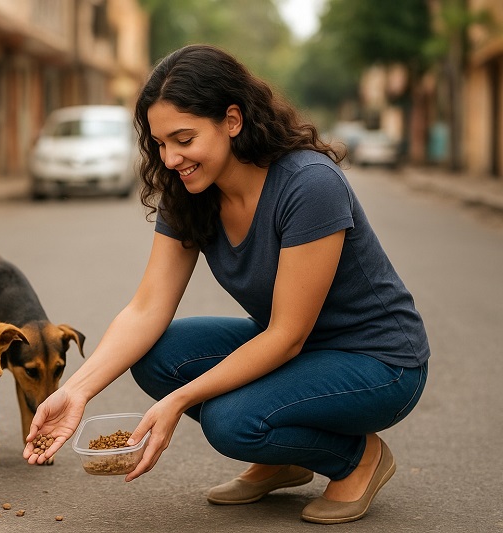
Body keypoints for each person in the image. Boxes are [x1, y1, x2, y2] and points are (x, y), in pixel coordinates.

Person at [23, 44, 429, 525]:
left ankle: (356, 459)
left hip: (377, 362)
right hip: (298, 354)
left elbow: (286, 335)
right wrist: (78, 391)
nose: (171, 158)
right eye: (159, 143)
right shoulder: (190, 191)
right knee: (155, 354)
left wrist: (179, 401)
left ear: (232, 120)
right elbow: (147, 308)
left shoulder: (309, 185)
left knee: (231, 423)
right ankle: (289, 455)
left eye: (184, 139)